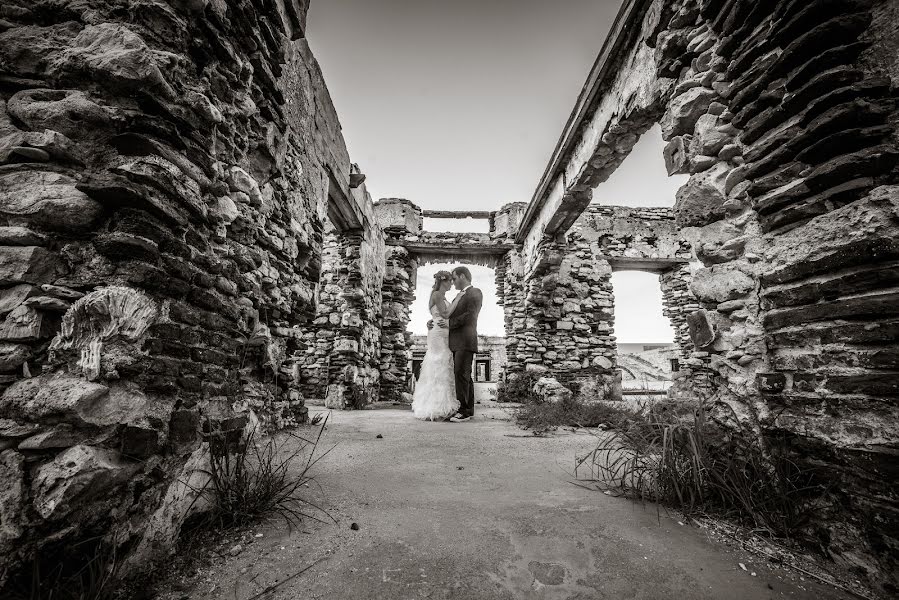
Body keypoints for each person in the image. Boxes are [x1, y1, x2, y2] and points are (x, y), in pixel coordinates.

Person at [410, 271, 461, 420]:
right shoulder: (437, 294)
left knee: (444, 365)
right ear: (443, 281)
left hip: (444, 332)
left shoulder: (441, 296)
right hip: (438, 334)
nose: (452, 283)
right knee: (438, 365)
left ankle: (443, 404)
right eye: (450, 281)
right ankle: (436, 407)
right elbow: (445, 314)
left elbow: (442, 314)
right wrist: (457, 300)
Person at [436, 266, 482, 423]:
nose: (453, 282)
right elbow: (446, 314)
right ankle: (468, 410)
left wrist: (449, 323)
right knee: (464, 376)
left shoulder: (475, 292)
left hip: (465, 340)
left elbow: (471, 316)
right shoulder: (460, 295)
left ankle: (464, 411)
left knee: (461, 375)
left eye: (454, 279)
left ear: (463, 276)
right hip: (457, 341)